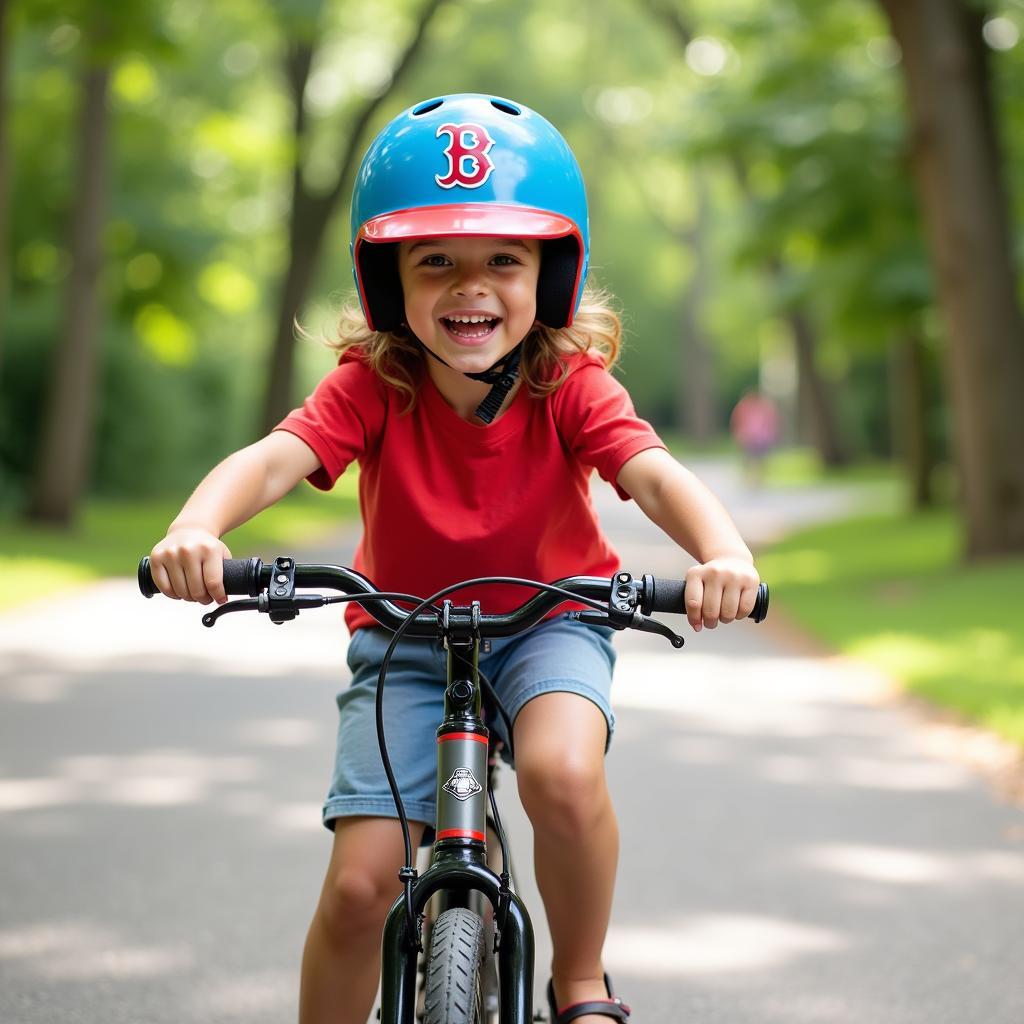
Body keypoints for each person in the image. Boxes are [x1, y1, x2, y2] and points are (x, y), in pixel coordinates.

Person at [148, 94, 760, 1024]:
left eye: (503, 261)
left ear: (550, 278)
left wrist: (722, 552)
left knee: (560, 773)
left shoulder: (570, 384)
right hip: (404, 640)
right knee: (360, 888)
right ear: (388, 282)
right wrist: (199, 528)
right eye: (435, 261)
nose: (470, 286)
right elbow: (275, 457)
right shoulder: (374, 384)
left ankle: (583, 977)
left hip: (551, 620)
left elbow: (655, 475)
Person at [730, 389, 780, 488]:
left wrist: (772, 434)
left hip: (762, 438)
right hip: (747, 437)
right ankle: (750, 479)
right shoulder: (743, 406)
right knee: (749, 459)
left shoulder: (764, 407)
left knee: (760, 459)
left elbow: (771, 421)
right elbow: (737, 420)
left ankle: (758, 479)